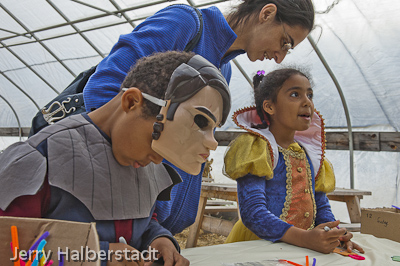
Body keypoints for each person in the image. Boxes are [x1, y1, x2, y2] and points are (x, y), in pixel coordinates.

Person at [83, 0, 316, 236]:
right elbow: (104, 90)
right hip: (121, 216)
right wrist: (143, 176)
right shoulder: (185, 24)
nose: (279, 57)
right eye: (285, 42)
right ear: (267, 13)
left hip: (152, 229)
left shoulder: (223, 72)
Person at [0, 51, 231, 266]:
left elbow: (141, 219)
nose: (158, 161)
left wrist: (159, 240)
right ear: (131, 102)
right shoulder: (43, 155)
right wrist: (97, 254)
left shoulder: (144, 158)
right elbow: (9, 246)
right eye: (156, 145)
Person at [223, 68, 365, 254]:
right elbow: (253, 214)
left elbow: (320, 205)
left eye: (310, 95)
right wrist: (305, 238)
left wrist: (333, 234)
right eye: (295, 94)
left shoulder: (310, 155)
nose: (307, 102)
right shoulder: (257, 149)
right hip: (259, 246)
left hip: (299, 248)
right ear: (269, 107)